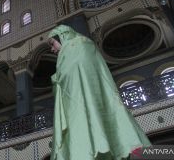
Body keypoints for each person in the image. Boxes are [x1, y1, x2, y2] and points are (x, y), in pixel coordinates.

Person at [48, 25, 151, 160]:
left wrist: (57, 78)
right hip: (73, 104)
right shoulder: (71, 51)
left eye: (52, 43)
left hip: (90, 100)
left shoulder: (81, 45)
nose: (52, 49)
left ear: (62, 36)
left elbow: (76, 73)